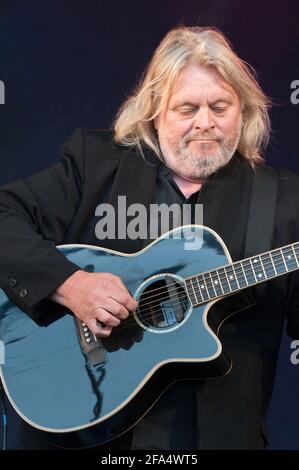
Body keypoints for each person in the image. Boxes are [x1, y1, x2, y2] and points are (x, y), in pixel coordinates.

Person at [0, 25, 299, 450]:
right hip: (82, 438)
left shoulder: (284, 200)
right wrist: (71, 284)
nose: (205, 123)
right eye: (187, 108)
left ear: (244, 111)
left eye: (220, 106)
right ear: (154, 110)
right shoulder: (95, 165)